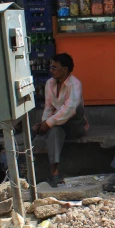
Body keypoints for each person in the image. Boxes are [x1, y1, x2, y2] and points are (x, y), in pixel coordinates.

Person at [32, 53, 87, 187]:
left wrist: (48, 123)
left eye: (54, 68)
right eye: (51, 67)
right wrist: (45, 122)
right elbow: (48, 107)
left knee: (74, 110)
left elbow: (69, 109)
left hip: (74, 125)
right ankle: (54, 173)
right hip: (58, 124)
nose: (51, 70)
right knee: (54, 130)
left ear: (65, 69)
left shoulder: (75, 84)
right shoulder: (49, 83)